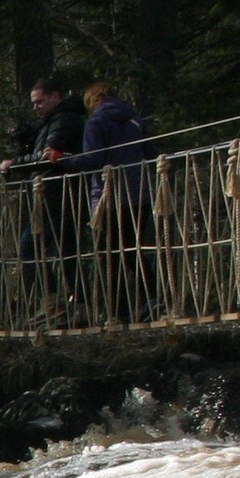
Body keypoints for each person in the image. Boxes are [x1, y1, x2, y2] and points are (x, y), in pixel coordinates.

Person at [0, 77, 88, 317]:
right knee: (67, 250)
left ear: (56, 96)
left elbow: (48, 156)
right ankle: (79, 304)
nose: (36, 107)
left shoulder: (63, 120)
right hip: (59, 193)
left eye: (41, 101)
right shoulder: (57, 120)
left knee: (31, 247)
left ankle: (54, 302)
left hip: (56, 193)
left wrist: (15, 164)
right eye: (34, 103)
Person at [79, 83, 156, 321]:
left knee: (108, 255)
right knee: (134, 250)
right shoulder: (135, 120)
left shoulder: (95, 123)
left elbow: (93, 159)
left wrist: (63, 161)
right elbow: (151, 152)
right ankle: (153, 301)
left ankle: (117, 313)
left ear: (91, 102)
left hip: (108, 197)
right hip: (140, 194)